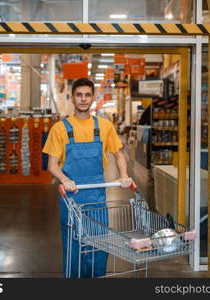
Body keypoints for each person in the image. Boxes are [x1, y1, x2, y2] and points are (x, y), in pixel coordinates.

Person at [42, 78, 133, 278]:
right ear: (72, 98)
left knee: (99, 243)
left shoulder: (104, 126)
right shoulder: (60, 129)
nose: (83, 99)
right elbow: (52, 165)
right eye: (79, 95)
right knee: (73, 245)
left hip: (97, 197)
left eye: (87, 95)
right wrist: (64, 180)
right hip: (71, 198)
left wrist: (124, 175)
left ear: (93, 98)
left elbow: (118, 154)